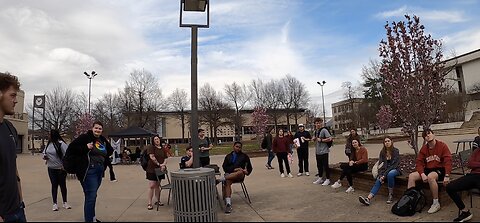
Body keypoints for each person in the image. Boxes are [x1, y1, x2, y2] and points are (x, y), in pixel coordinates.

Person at [65, 121, 113, 222]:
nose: (98, 130)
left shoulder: (102, 140)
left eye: (100, 129)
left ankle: (92, 218)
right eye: (96, 128)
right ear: (92, 128)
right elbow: (71, 148)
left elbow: (110, 150)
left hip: (99, 170)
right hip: (89, 170)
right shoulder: (85, 137)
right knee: (91, 196)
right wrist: (85, 147)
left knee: (93, 195)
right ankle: (89, 220)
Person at [0, 72, 26, 222]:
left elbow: (13, 167)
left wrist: (20, 200)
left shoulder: (10, 128)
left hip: (18, 209)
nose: (16, 101)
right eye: (12, 95)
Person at [407, 128, 452, 214]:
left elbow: (448, 161)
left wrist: (447, 175)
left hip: (440, 170)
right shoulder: (424, 149)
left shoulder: (442, 146)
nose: (428, 136)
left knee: (431, 177)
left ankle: (436, 202)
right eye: (425, 135)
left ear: (433, 134)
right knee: (411, 176)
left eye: (429, 133)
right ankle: (410, 200)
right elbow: (419, 163)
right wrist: (422, 174)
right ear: (424, 139)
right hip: (428, 169)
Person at [359, 136, 401, 206]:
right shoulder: (382, 152)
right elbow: (381, 165)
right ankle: (368, 199)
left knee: (390, 174)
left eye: (388, 141)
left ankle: (390, 195)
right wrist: (381, 175)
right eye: (385, 141)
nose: (387, 143)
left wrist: (384, 175)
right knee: (379, 179)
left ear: (391, 142)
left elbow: (394, 165)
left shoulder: (396, 151)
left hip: (395, 169)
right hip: (384, 171)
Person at [446, 144, 480, 222]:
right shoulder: (477, 151)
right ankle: (465, 212)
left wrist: (476, 165)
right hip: (472, 176)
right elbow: (470, 164)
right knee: (450, 187)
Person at [220, 141, 253, 214]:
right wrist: (234, 169)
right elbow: (224, 167)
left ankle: (221, 179)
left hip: (240, 176)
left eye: (239, 147)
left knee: (240, 172)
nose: (238, 148)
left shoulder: (244, 156)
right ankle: (228, 204)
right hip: (230, 175)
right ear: (233, 146)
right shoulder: (228, 156)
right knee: (227, 181)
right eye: (237, 147)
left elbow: (249, 167)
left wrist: (246, 171)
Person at [43, 129, 72, 211]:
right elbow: (44, 153)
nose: (49, 136)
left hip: (60, 169)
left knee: (63, 185)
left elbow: (67, 154)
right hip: (51, 168)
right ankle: (54, 203)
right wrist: (45, 157)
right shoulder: (48, 144)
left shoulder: (61, 144)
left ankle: (65, 202)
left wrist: (65, 165)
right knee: (54, 185)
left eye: (50, 134)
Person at [145, 135, 168, 210]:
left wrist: (163, 164)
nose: (157, 140)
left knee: (157, 185)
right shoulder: (151, 147)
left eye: (157, 139)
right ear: (153, 141)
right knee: (152, 185)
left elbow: (166, 158)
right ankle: (149, 203)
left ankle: (158, 200)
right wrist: (159, 164)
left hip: (160, 170)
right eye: (155, 139)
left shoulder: (163, 149)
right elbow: (152, 157)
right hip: (151, 169)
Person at [312, 118, 333, 185]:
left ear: (322, 123)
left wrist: (321, 140)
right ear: (315, 124)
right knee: (319, 165)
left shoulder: (324, 130)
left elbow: (330, 139)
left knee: (325, 165)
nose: (318, 124)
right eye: (316, 123)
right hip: (317, 151)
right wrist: (314, 139)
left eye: (319, 123)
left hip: (324, 151)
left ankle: (327, 179)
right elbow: (314, 139)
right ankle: (320, 178)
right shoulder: (315, 131)